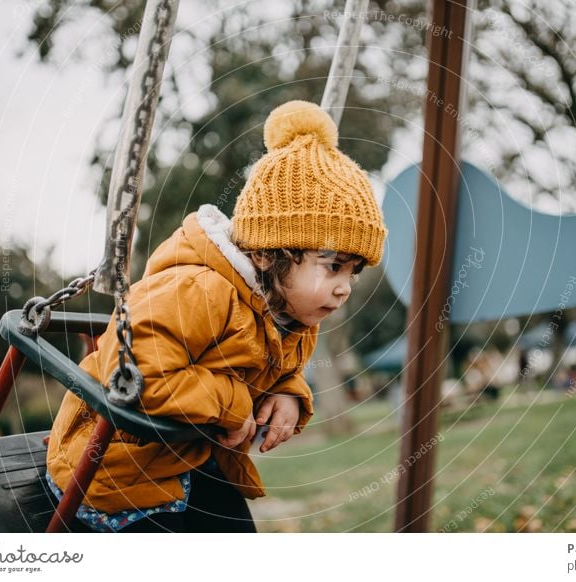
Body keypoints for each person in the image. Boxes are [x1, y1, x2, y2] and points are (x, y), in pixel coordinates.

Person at [45, 100, 387, 532]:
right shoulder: (198, 289)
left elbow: (274, 369)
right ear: (267, 254)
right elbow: (136, 375)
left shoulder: (292, 316)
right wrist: (235, 404)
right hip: (112, 470)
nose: (345, 286)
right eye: (333, 265)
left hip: (186, 458)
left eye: (354, 272)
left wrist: (289, 395)